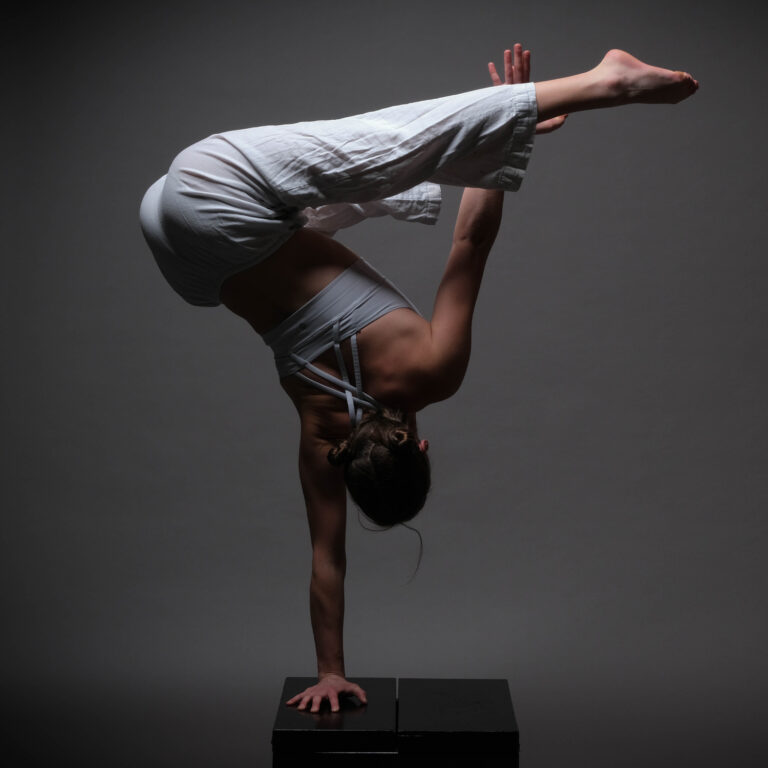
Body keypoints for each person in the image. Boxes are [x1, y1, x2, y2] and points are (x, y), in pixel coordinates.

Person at [139, 44, 698, 713]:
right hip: (181, 252)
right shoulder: (321, 438)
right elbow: (327, 561)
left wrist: (504, 133)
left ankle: (602, 84)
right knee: (342, 198)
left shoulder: (433, 372)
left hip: (219, 192)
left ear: (422, 447)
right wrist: (329, 672)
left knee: (390, 147)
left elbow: (471, 245)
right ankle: (502, 120)